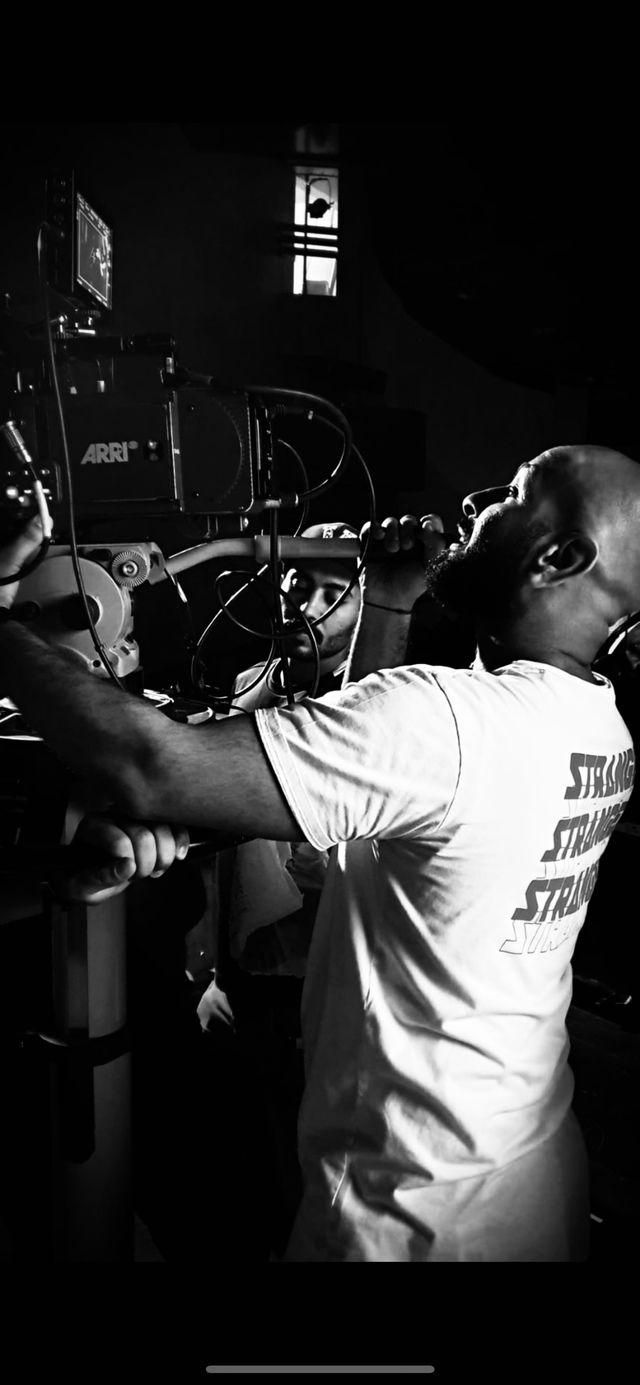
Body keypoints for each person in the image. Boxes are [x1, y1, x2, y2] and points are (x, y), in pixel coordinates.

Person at [2, 443, 640, 1262]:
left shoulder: (448, 722)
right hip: (524, 1180)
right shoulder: (595, 722)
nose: (475, 502)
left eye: (515, 494)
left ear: (561, 558)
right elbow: (366, 805)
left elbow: (151, 766)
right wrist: (390, 600)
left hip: (411, 1212)